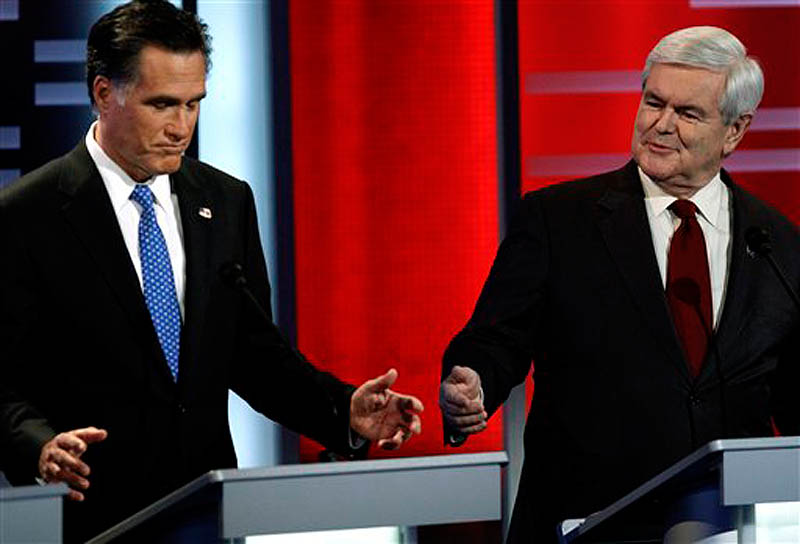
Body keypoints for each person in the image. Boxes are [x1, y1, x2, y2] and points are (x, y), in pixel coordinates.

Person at [0, 1, 422, 541]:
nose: (182, 127)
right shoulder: (26, 215)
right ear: (104, 93)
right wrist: (38, 445)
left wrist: (343, 412)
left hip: (208, 514)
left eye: (193, 104)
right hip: (90, 517)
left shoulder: (225, 201)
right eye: (162, 105)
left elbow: (254, 355)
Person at [440, 26, 799, 543]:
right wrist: (470, 380)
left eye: (688, 113)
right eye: (654, 102)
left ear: (735, 132)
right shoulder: (559, 220)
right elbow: (495, 339)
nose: (661, 125)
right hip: (586, 523)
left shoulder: (777, 246)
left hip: (729, 527)